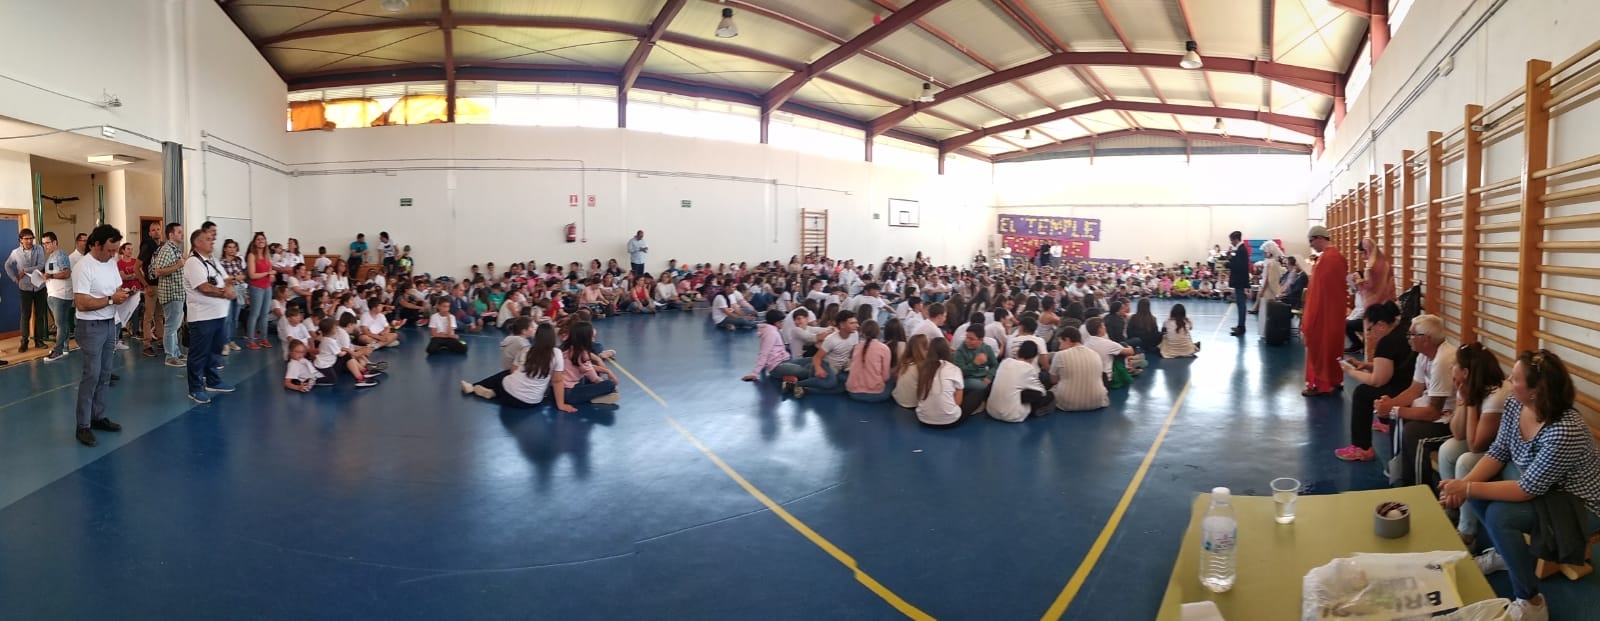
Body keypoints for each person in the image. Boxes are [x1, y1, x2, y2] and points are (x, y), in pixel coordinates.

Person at [1439, 350, 1600, 621]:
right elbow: (1499, 451)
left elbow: (1527, 490)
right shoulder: (1515, 403)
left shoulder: (1564, 429)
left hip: (1578, 502)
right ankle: (1506, 553)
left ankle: (1531, 603)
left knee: (1499, 516)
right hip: (1543, 485)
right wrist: (1463, 485)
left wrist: (1465, 489)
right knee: (1475, 483)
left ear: (1536, 391)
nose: (1508, 381)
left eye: (1514, 378)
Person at [1439, 342, 1511, 544]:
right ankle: (1452, 506)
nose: (1451, 366)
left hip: (1506, 454)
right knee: (1447, 449)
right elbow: (1457, 433)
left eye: (1455, 364)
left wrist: (1469, 403)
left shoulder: (1497, 395)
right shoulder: (1470, 385)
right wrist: (1463, 400)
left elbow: (1475, 445)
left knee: (1465, 462)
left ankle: (1467, 532)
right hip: (1489, 446)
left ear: (1466, 372)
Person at [1375, 314, 1456, 486]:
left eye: (1411, 335)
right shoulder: (1423, 355)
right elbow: (1414, 390)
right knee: (1398, 419)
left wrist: (1393, 410)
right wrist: (1390, 404)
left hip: (1451, 419)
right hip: (1438, 413)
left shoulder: (1443, 361)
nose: (1408, 338)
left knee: (1414, 433)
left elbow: (1433, 412)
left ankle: (1419, 487)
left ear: (1425, 339)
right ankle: (1402, 473)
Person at [70, 225, 129, 446]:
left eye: (115, 250)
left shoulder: (111, 263)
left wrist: (123, 295)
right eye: (110, 250)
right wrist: (112, 299)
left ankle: (98, 416)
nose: (113, 255)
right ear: (96, 245)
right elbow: (81, 303)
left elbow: (116, 287)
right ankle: (83, 425)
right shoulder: (83, 267)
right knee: (91, 376)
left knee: (105, 374)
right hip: (90, 326)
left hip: (109, 322)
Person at [1333, 302, 1414, 462]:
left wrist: (1351, 372)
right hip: (1411, 383)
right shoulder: (1403, 330)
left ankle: (1362, 448)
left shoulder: (1387, 342)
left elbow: (1377, 381)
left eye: (1370, 329)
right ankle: (1385, 421)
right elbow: (1394, 365)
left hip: (1403, 391)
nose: (1369, 334)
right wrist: (1366, 365)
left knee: (1362, 393)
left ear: (1381, 325)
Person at [181, 230, 237, 404]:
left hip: (219, 314)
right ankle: (195, 388)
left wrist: (230, 286)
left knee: (215, 350)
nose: (212, 241)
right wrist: (224, 293)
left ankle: (213, 381)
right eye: (207, 239)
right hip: (202, 317)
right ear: (197, 243)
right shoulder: (193, 262)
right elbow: (204, 287)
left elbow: (226, 279)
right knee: (198, 354)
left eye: (212, 239)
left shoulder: (213, 261)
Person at [1301, 225, 1348, 396]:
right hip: (1335, 313)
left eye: (1311, 241)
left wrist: (1308, 318)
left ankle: (1320, 385)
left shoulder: (1326, 260)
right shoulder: (1338, 258)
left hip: (1322, 314)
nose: (1311, 245)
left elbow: (1317, 293)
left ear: (1320, 238)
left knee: (1320, 350)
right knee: (1334, 348)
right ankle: (1335, 380)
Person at [5, 227, 48, 353]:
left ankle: (39, 340)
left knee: (40, 315)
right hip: (25, 288)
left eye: (31, 238)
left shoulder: (39, 249)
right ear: (21, 240)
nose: (29, 241)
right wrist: (14, 278)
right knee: (25, 315)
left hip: (40, 287)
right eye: (26, 239)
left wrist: (24, 270)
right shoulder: (15, 253)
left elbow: (41, 265)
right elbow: (7, 265)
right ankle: (24, 342)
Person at [987, 340, 1052, 422]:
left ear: (1018, 352)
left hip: (991, 412)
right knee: (1048, 395)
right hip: (1012, 415)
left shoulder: (1005, 362)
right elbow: (1042, 392)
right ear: (1033, 358)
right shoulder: (1028, 368)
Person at [151, 223, 188, 367]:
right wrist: (178, 265)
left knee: (175, 325)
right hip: (171, 293)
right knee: (171, 326)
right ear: (171, 235)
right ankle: (170, 356)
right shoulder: (166, 249)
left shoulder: (175, 249)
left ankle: (176, 352)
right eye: (179, 232)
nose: (182, 234)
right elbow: (158, 271)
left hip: (177, 292)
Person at [1049, 327, 1108, 412]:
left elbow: (1053, 380)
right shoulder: (1095, 354)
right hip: (1097, 401)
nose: (1060, 347)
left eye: (1061, 343)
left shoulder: (1060, 355)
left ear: (1067, 340)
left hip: (1067, 403)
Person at [914, 337, 966, 427]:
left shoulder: (923, 368)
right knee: (975, 395)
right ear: (947, 351)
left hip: (923, 419)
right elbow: (958, 402)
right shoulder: (954, 369)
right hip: (949, 421)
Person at [40, 232, 75, 362]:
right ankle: (65, 347)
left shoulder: (61, 255)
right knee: (63, 323)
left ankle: (58, 350)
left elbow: (66, 273)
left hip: (61, 294)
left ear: (55, 242)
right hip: (53, 293)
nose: (45, 246)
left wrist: (50, 276)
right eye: (43, 244)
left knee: (60, 324)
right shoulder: (50, 257)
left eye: (48, 243)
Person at [845, 319, 893, 402]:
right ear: (878, 332)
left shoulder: (856, 347)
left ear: (862, 332)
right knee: (892, 381)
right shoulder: (884, 348)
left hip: (853, 393)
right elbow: (886, 376)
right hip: (876, 394)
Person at [743, 309, 791, 382]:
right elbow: (764, 353)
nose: (782, 323)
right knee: (806, 371)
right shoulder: (771, 333)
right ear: (776, 322)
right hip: (777, 365)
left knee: (808, 362)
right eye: (781, 321)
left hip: (783, 360)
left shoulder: (774, 330)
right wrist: (755, 373)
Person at [1226, 231, 1250, 337]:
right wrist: (1231, 258)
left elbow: (1239, 266)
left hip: (1240, 281)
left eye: (1232, 240)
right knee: (1240, 304)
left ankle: (1241, 327)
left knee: (1241, 304)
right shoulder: (1240, 249)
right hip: (1240, 281)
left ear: (1236, 239)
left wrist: (1228, 264)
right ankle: (1240, 325)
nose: (1231, 242)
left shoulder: (1241, 250)